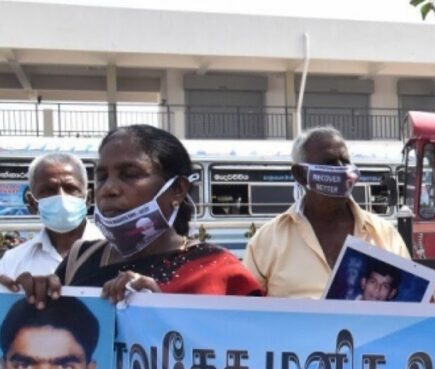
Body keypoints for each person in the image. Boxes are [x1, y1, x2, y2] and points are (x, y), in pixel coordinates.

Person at [12, 125, 262, 306]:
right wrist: (28, 303)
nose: (109, 189)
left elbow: (248, 354)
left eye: (130, 174)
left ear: (177, 189)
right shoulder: (80, 259)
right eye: (102, 177)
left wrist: (159, 311)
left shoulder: (217, 270)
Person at [244, 127, 409, 298]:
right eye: (330, 163)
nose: (342, 170)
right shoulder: (268, 240)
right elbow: (245, 306)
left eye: (345, 162)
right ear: (301, 174)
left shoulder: (385, 235)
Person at [0, 153, 102, 285]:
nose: (62, 197)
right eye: (48, 190)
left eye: (71, 189)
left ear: (88, 199)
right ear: (32, 203)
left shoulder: (116, 253)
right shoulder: (11, 263)